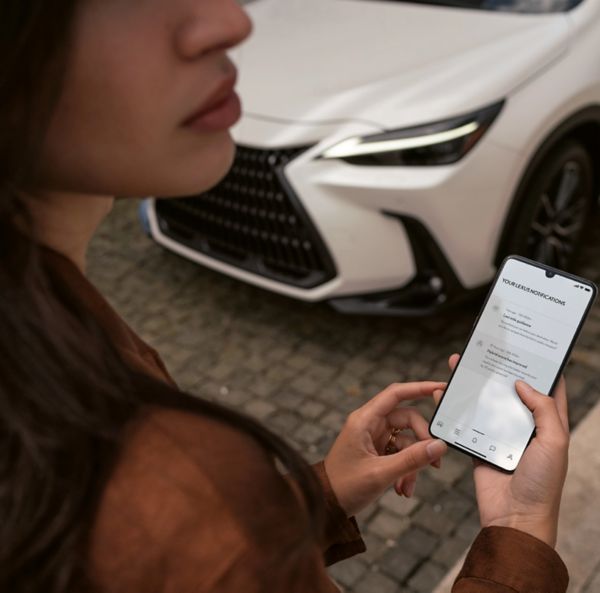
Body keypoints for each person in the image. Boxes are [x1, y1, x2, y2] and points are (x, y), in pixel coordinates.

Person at [0, 1, 570, 592]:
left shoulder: (47, 324)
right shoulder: (159, 484)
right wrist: (519, 526)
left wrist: (320, 494)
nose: (233, 21)